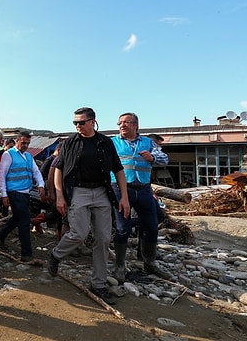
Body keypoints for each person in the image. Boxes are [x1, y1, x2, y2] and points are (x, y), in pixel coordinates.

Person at [48, 107, 130, 306]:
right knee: (79, 233)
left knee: (102, 238)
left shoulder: (105, 142)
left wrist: (124, 197)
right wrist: (59, 195)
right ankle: (56, 254)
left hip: (102, 193)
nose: (77, 126)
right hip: (78, 192)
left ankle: (98, 283)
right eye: (75, 123)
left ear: (93, 121)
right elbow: (58, 169)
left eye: (81, 122)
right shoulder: (69, 143)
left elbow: (118, 170)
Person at [111, 113, 171, 281]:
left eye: (126, 123)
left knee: (151, 226)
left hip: (143, 189)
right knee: (123, 228)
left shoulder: (147, 143)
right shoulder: (112, 143)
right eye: (120, 123)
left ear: (136, 125)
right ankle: (120, 266)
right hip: (120, 189)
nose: (122, 125)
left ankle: (149, 262)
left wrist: (152, 158)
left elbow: (164, 159)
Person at [0, 131, 45, 262]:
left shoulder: (28, 156)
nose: (26, 145)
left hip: (25, 192)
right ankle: (26, 254)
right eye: (23, 143)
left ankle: (0, 235)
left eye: (28, 143)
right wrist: (4, 194)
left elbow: (36, 172)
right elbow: (2, 176)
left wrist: (41, 184)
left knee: (18, 218)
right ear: (17, 141)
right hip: (14, 192)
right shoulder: (8, 154)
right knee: (24, 221)